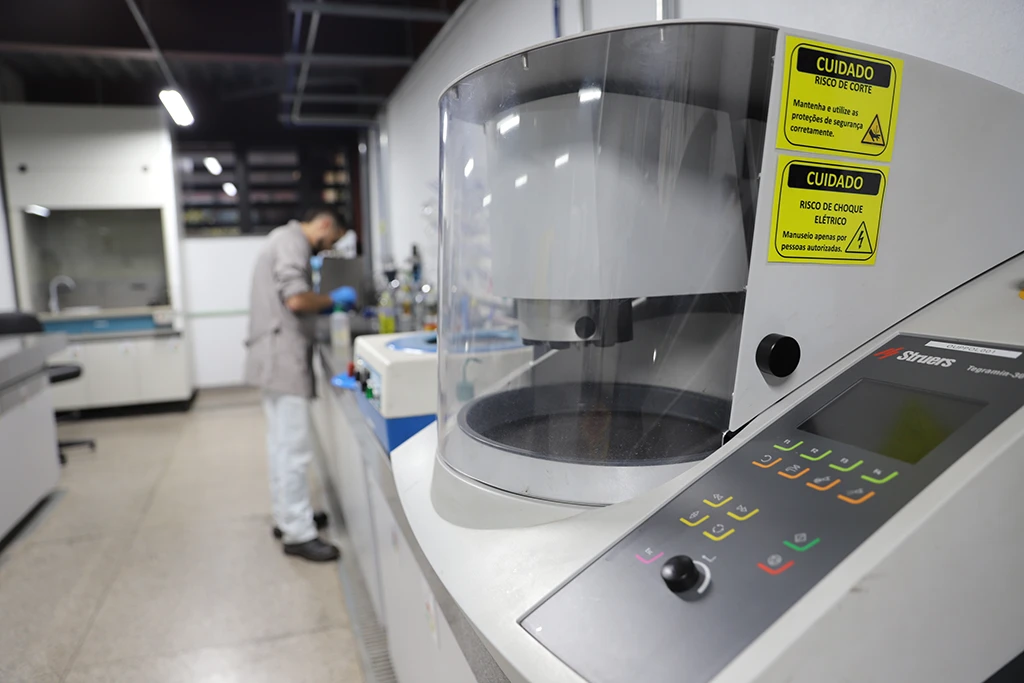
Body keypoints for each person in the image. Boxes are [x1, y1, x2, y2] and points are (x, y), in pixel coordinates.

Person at [245, 207, 356, 562]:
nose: (326, 248)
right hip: (283, 357)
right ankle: (298, 533)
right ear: (325, 223)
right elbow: (296, 299)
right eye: (331, 240)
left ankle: (289, 516)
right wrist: (332, 300)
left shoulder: (280, 238)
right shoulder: (293, 241)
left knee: (280, 445)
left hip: (272, 355)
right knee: (293, 448)